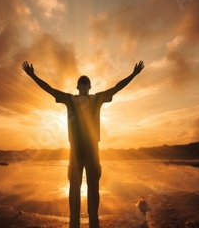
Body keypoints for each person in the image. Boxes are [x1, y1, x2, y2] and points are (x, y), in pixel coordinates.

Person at [22, 60, 145, 227]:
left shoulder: (97, 99)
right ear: (78, 87)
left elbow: (117, 87)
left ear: (90, 87)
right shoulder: (69, 99)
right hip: (75, 149)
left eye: (87, 84)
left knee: (93, 186)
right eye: (82, 83)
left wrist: (133, 74)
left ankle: (93, 219)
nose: (84, 86)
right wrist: (33, 75)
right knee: (74, 185)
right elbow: (50, 89)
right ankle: (74, 221)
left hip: (93, 147)